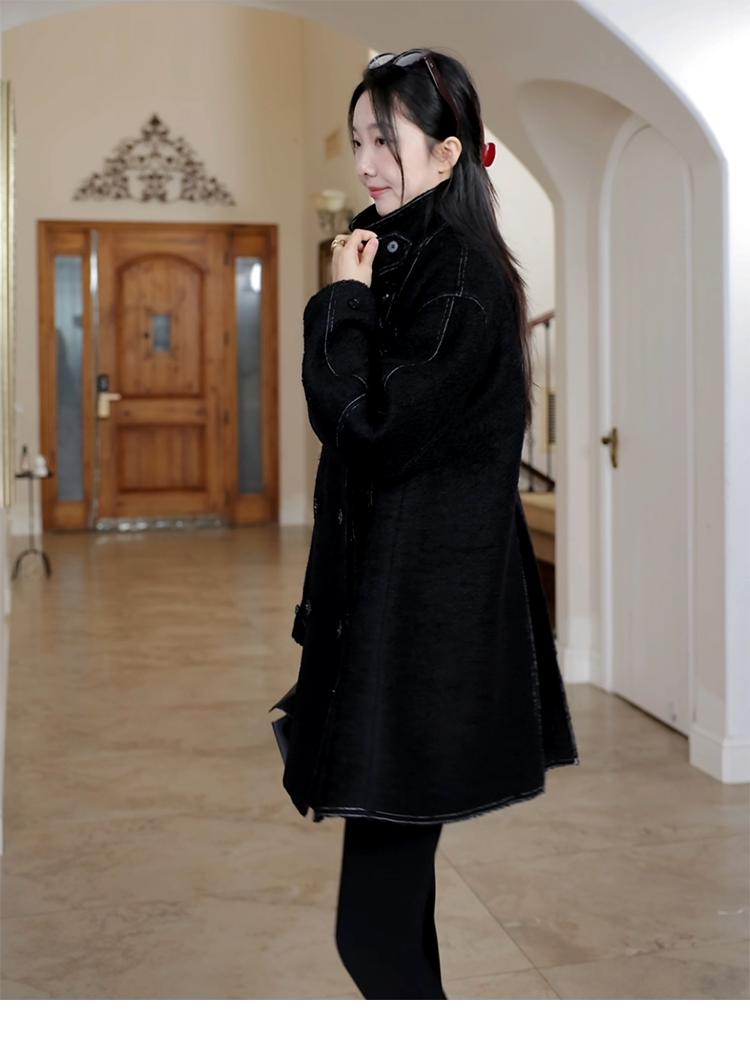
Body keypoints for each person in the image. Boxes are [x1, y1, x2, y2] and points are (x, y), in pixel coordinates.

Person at [283, 49, 579, 999]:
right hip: (395, 615)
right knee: (395, 922)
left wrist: (342, 301)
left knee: (370, 935)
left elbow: (369, 428)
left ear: (449, 154)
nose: (366, 162)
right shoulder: (407, 256)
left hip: (420, 634)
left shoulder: (457, 279)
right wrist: (357, 293)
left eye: (386, 140)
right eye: (357, 139)